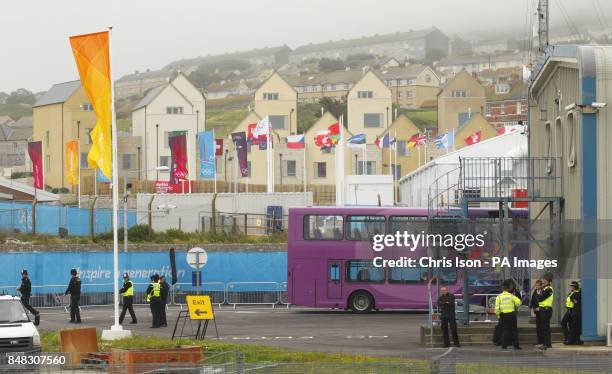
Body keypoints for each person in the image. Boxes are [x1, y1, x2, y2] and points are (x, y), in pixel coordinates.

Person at [495, 279, 522, 350]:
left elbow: (497, 308)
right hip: (512, 315)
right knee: (514, 330)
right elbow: (519, 303)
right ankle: (516, 346)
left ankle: (504, 346)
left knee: (505, 330)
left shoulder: (499, 297)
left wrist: (498, 316)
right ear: (508, 289)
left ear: (502, 289)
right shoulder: (511, 296)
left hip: (503, 315)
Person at [535, 275, 554, 350]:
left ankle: (547, 344)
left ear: (547, 281)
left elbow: (540, 298)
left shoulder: (549, 289)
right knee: (544, 327)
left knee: (546, 328)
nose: (542, 281)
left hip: (546, 310)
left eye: (543, 279)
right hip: (543, 310)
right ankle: (545, 343)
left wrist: (539, 295)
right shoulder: (545, 288)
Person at [562, 281, 582, 345]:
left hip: (573, 310)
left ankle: (570, 339)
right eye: (571, 286)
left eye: (573, 286)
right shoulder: (571, 293)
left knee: (572, 326)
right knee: (564, 323)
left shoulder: (577, 293)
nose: (571, 287)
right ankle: (568, 338)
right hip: (569, 310)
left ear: (576, 286)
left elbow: (576, 302)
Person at [530, 280, 543, 346]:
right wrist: (533, 307)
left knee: (542, 326)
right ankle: (539, 341)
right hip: (537, 311)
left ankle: (543, 341)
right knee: (538, 326)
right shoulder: (535, 292)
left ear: (541, 285)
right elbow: (533, 300)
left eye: (538, 285)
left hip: (542, 311)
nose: (537, 286)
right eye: (536, 285)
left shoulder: (543, 292)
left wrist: (540, 307)